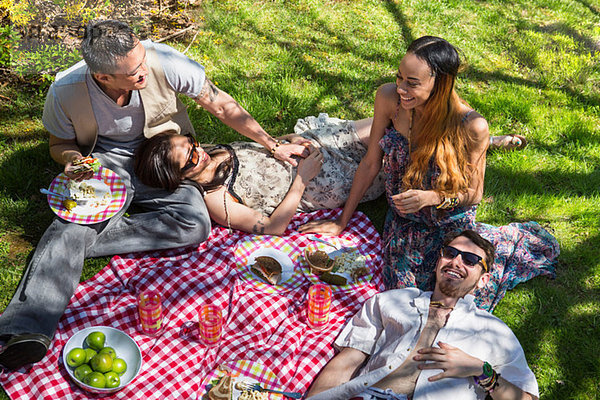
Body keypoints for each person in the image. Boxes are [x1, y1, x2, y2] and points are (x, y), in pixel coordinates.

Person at [0, 19, 307, 371]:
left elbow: (221, 105)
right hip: (105, 161)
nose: (145, 71)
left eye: (143, 60)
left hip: (165, 159)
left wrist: (272, 143)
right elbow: (61, 144)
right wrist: (73, 161)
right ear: (103, 77)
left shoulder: (167, 62)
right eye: (134, 72)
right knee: (75, 226)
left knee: (194, 225)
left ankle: (74, 242)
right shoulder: (65, 91)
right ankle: (27, 328)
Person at [299, 36, 558, 311]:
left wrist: (431, 197)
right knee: (404, 296)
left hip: (449, 219)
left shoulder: (472, 126)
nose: (400, 88)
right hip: (405, 218)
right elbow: (370, 163)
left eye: (412, 82)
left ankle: (499, 243)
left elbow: (473, 194)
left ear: (441, 83)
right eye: (399, 77)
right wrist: (342, 221)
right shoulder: (389, 99)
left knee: (454, 298)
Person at [306, 230, 539, 400]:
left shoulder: (495, 332)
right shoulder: (391, 301)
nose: (456, 262)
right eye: (450, 253)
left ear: (483, 280)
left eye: (470, 260)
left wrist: (480, 369)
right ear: (439, 262)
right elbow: (348, 360)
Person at [134, 114, 385, 235]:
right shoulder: (217, 200)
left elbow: (269, 147)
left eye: (192, 143)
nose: (200, 152)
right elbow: (272, 227)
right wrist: (302, 179)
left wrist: (290, 140)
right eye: (190, 160)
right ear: (176, 178)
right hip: (325, 183)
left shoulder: (212, 152)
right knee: (398, 161)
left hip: (319, 143)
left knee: (392, 117)